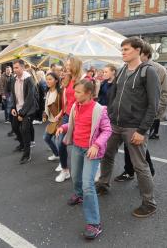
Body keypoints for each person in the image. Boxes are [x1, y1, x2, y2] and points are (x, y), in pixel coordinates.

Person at [96, 37, 160, 218]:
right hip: (115, 124)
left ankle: (149, 203)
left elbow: (153, 105)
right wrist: (108, 117)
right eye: (122, 49)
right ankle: (103, 184)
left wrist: (142, 130)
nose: (123, 52)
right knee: (107, 155)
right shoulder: (123, 69)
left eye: (126, 49)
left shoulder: (148, 72)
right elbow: (113, 95)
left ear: (138, 50)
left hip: (134, 127)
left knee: (140, 165)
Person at [56, 79, 112, 240]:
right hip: (77, 148)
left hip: (91, 151)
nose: (75, 95)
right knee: (75, 177)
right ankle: (79, 195)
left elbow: (107, 130)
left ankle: (94, 223)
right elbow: (75, 125)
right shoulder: (75, 106)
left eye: (78, 92)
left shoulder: (99, 109)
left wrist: (96, 145)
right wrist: (63, 127)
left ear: (88, 93)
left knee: (88, 184)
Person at [114, 41, 167, 181]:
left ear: (143, 54)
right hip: (128, 117)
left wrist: (154, 115)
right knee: (130, 145)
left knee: (139, 146)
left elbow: (165, 94)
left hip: (146, 116)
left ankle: (148, 174)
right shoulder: (127, 68)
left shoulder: (157, 69)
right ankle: (129, 171)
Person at [55, 57, 83, 181]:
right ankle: (65, 169)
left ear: (75, 66)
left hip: (79, 117)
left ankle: (93, 167)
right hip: (67, 116)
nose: (66, 67)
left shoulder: (83, 80)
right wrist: (61, 113)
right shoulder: (67, 79)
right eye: (66, 65)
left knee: (82, 146)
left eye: (68, 65)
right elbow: (66, 101)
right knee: (61, 143)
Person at [10, 60, 38, 164]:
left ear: (22, 68)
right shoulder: (14, 79)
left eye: (17, 68)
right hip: (17, 108)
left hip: (28, 109)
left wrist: (22, 113)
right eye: (14, 68)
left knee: (25, 129)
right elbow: (14, 95)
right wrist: (13, 107)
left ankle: (27, 154)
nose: (15, 70)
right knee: (15, 127)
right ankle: (22, 144)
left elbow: (30, 99)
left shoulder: (29, 80)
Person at [42, 72, 63, 174]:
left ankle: (62, 164)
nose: (48, 81)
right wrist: (44, 115)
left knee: (59, 143)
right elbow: (46, 105)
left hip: (59, 121)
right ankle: (56, 154)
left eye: (50, 79)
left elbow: (64, 107)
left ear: (56, 80)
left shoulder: (60, 92)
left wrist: (59, 117)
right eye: (47, 79)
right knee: (46, 138)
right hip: (51, 120)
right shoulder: (48, 91)